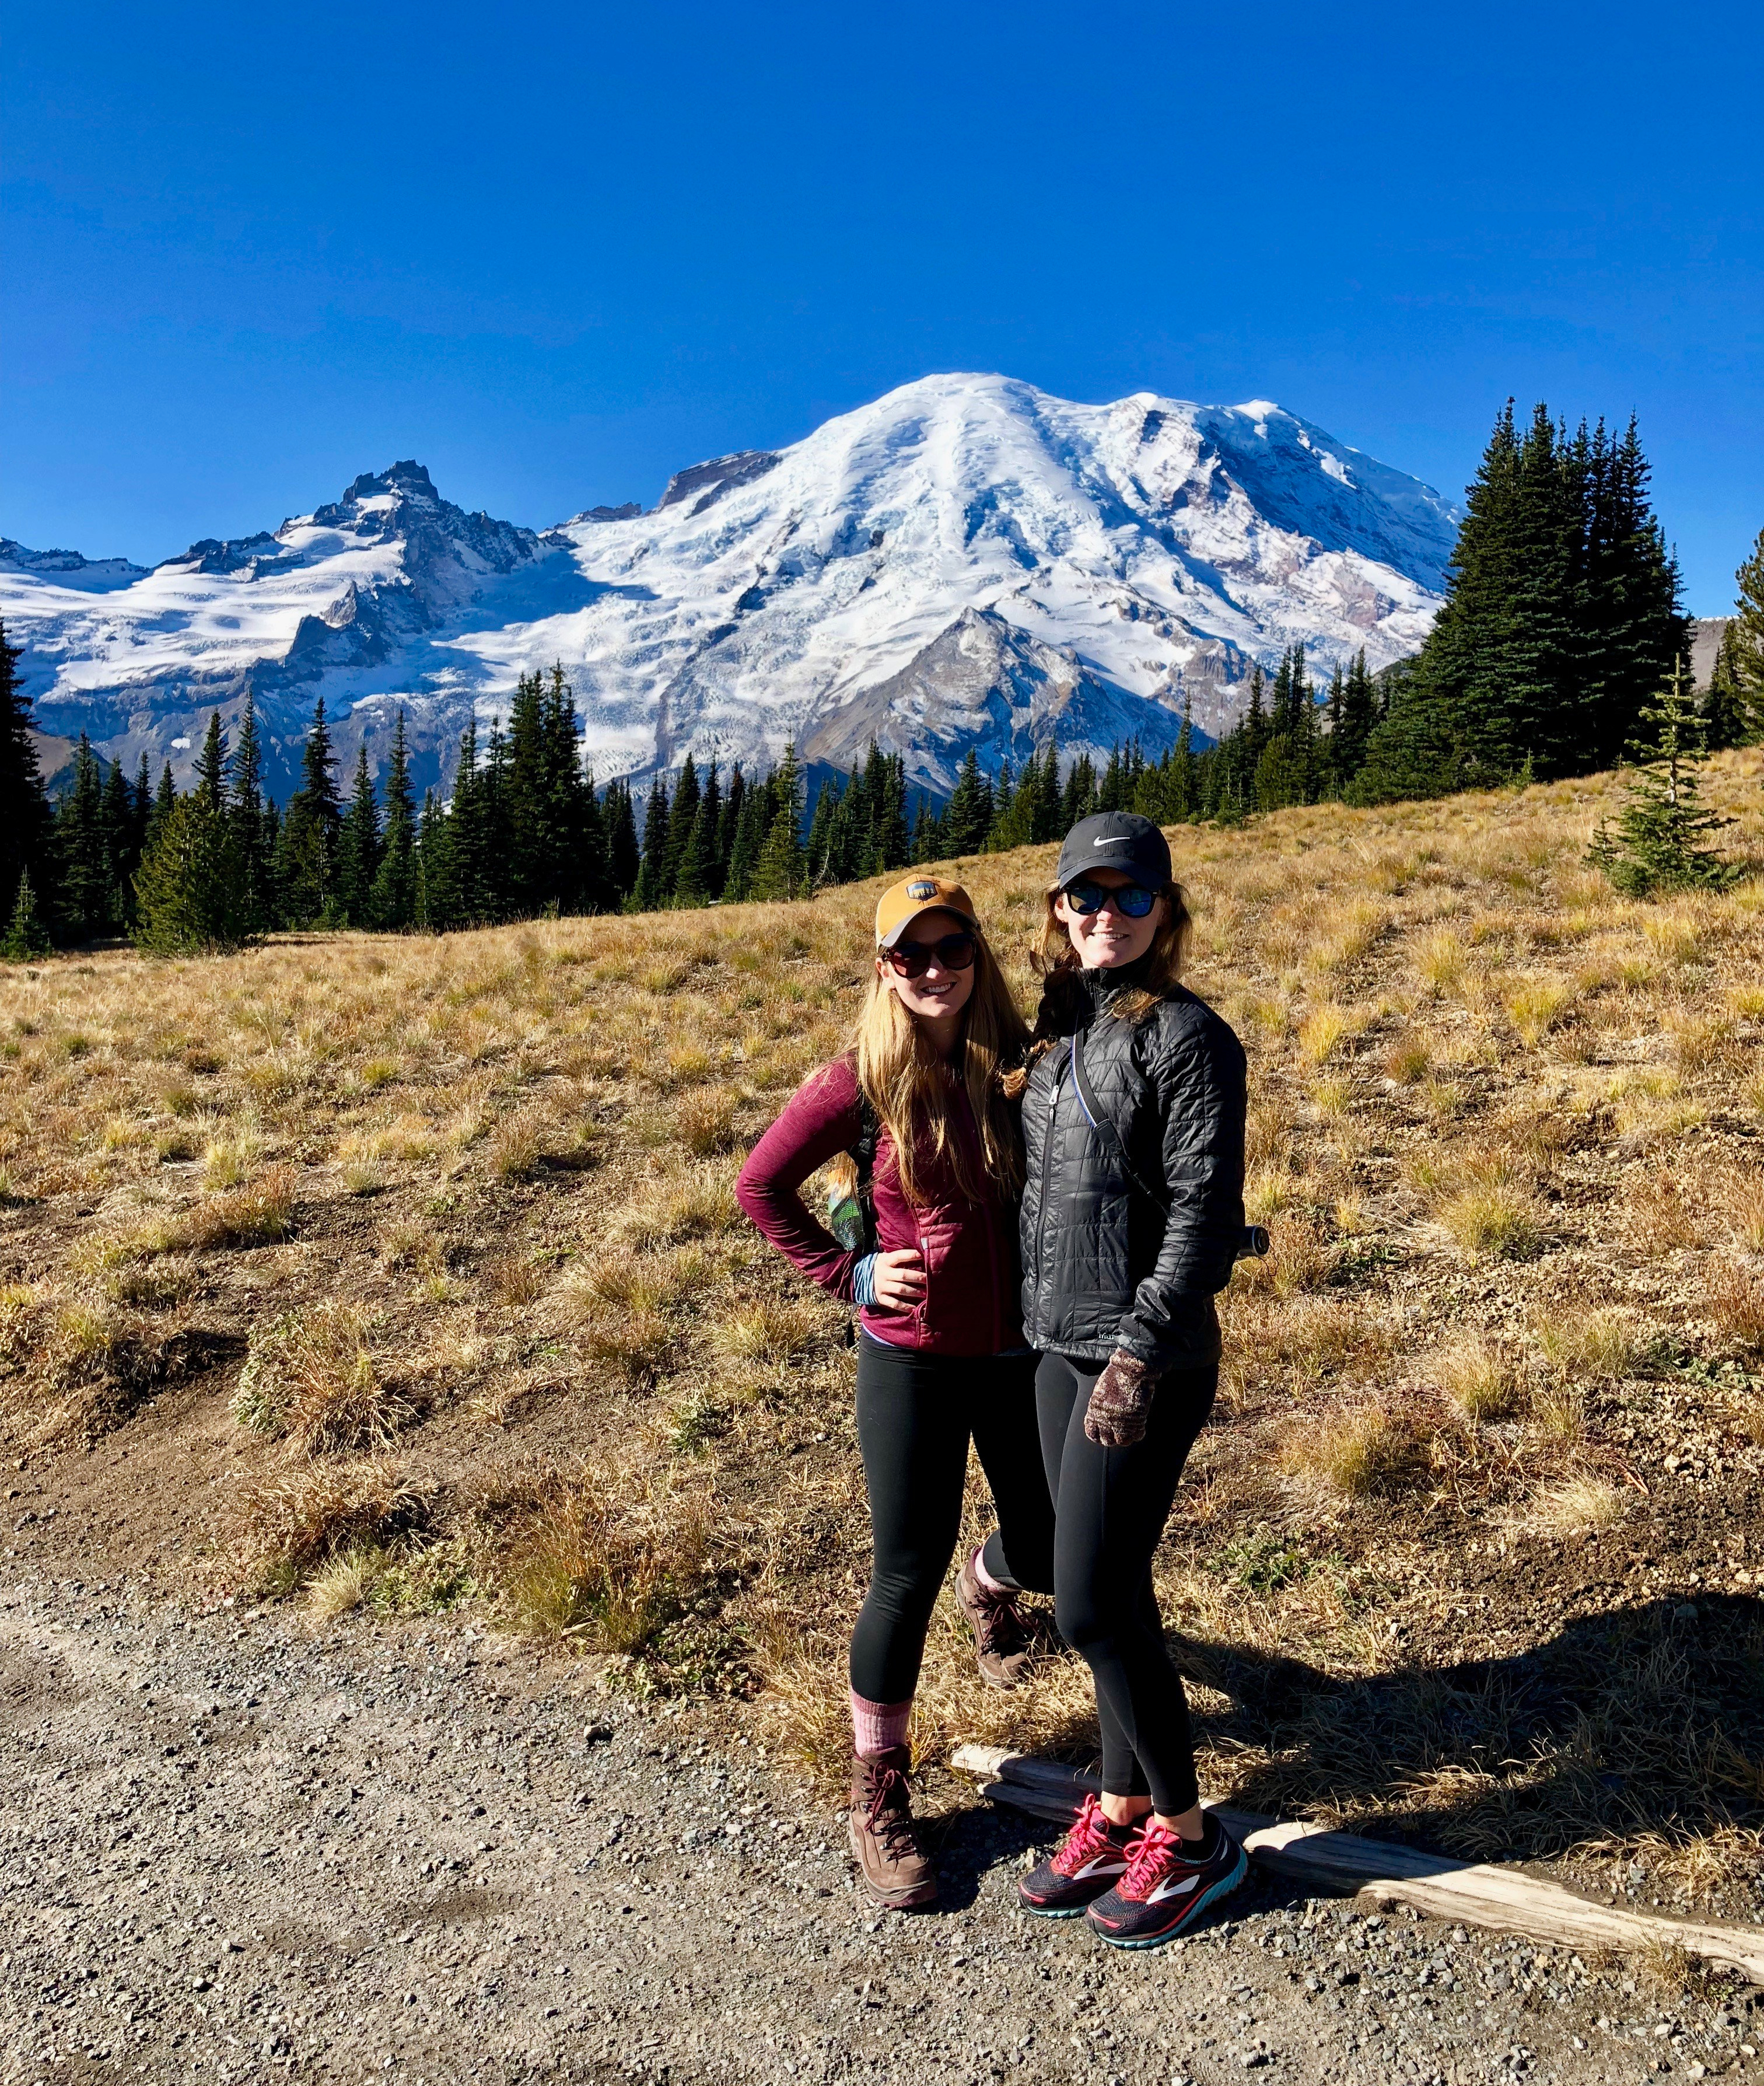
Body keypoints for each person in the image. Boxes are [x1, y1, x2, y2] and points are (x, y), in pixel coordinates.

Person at [736, 874, 1056, 1912]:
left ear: (978, 953)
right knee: (899, 1577)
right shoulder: (861, 1080)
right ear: (884, 968)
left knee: (1050, 1545)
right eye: (910, 956)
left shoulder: (1021, 1060)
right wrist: (851, 1274)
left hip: (1019, 1353)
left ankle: (993, 1584)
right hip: (909, 1356)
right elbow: (760, 1187)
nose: (933, 971)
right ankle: (879, 1790)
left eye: (950, 948)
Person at [1003, 809, 1251, 1949]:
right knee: (1090, 1582)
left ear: (1166, 911)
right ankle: (1117, 1802)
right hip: (1055, 1344)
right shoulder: (1052, 1037)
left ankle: (1195, 1843)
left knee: (1097, 1603)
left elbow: (1206, 1216)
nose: (1106, 913)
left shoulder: (1189, 1040)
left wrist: (1139, 1353)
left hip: (1138, 1357)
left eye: (1130, 895)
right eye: (1084, 896)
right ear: (1058, 911)